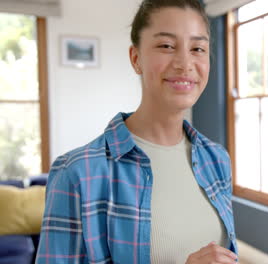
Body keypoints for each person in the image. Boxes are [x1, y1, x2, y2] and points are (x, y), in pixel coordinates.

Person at [35, 0, 238, 263]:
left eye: (197, 48)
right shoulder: (76, 174)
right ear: (136, 58)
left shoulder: (217, 159)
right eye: (166, 46)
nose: (185, 63)